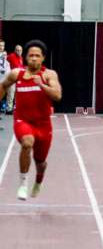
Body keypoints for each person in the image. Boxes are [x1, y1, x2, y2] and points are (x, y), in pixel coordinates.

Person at [0, 40, 62, 200]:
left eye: (37, 56)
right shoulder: (16, 74)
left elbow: (57, 95)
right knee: (27, 143)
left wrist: (42, 85)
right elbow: (3, 85)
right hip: (23, 121)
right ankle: (23, 183)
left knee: (40, 163)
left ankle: (38, 181)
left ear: (43, 58)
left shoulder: (49, 75)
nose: (34, 58)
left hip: (43, 125)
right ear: (26, 58)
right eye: (31, 55)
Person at [5, 44, 23, 113]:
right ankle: (9, 109)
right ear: (15, 50)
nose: (19, 51)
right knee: (11, 93)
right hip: (12, 78)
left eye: (20, 50)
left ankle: (16, 108)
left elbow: (20, 66)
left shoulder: (21, 58)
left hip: (19, 78)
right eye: (17, 50)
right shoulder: (11, 56)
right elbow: (4, 61)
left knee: (18, 94)